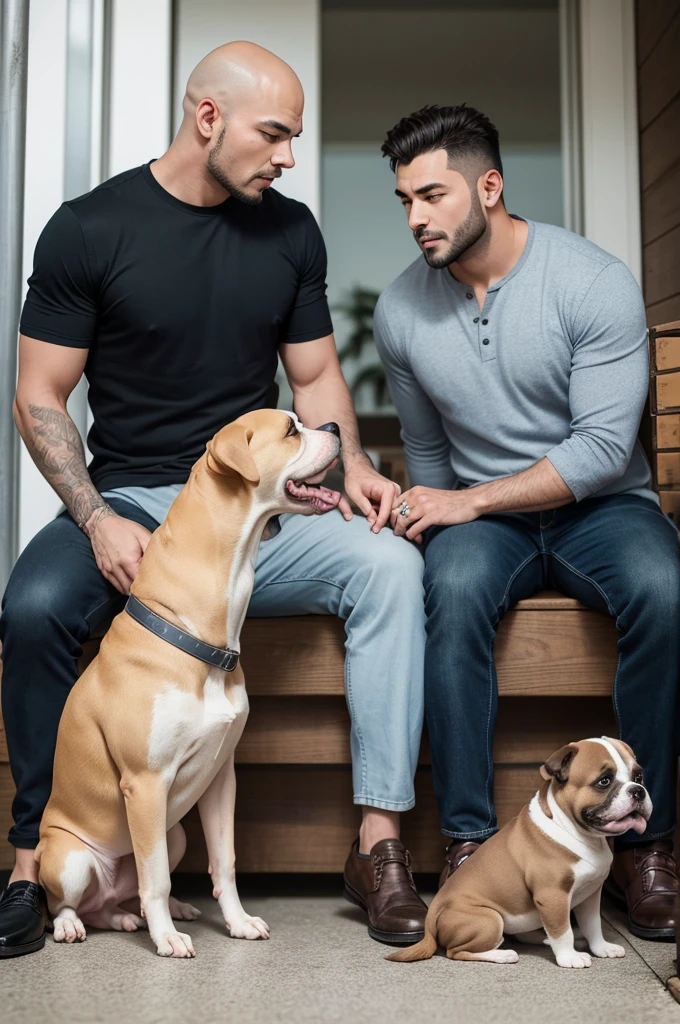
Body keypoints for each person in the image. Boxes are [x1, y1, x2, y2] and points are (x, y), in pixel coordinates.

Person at [0, 42, 427, 958]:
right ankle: (30, 858)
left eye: (294, 139)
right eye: (274, 135)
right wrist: (96, 517)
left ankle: (379, 845)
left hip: (263, 514)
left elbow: (314, 380)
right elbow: (38, 395)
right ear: (208, 120)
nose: (286, 157)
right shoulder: (88, 228)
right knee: (34, 606)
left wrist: (349, 464)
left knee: (390, 567)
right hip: (137, 506)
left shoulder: (290, 231)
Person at [374, 103, 680, 941]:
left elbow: (601, 446)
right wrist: (428, 517)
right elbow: (427, 451)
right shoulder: (401, 312)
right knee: (451, 583)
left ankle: (646, 847)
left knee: (664, 587)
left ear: (490, 185)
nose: (416, 218)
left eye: (432, 195)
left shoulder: (592, 281)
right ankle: (471, 841)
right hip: (490, 525)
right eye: (404, 200)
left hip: (602, 506)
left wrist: (464, 501)